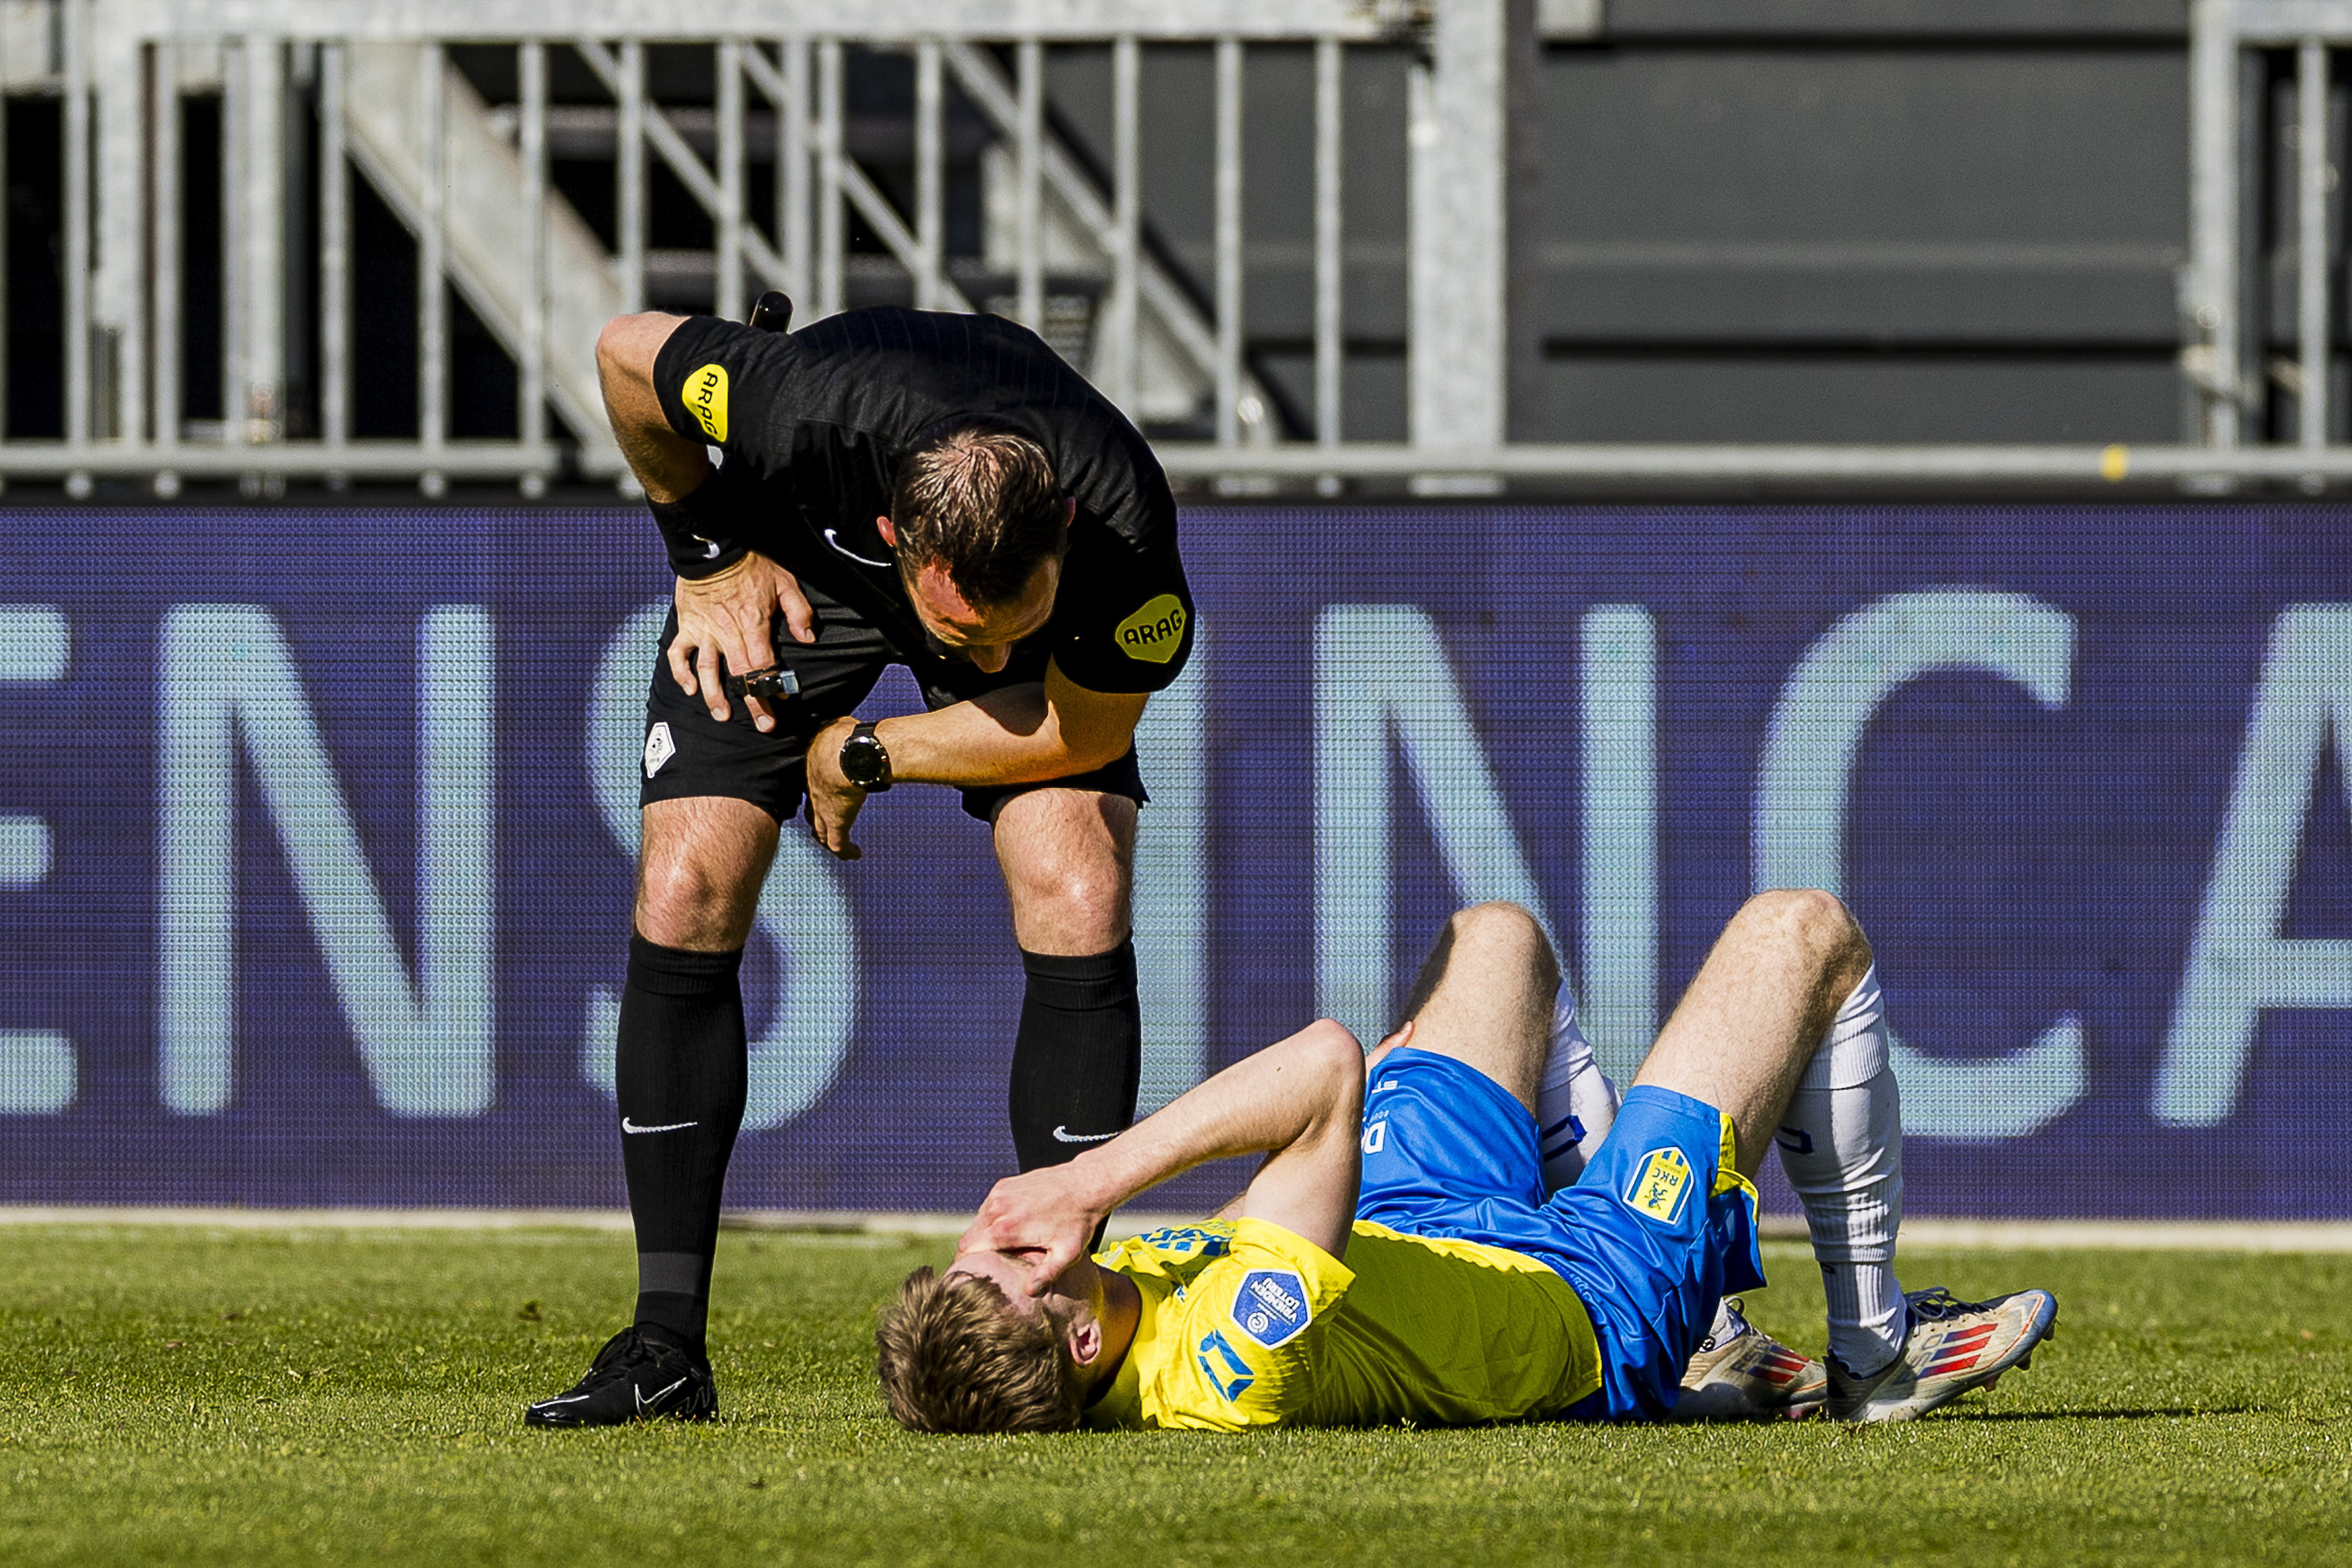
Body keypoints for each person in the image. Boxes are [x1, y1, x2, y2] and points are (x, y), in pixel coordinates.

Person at [527, 303, 1195, 1428]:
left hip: (1041, 668)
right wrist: (706, 556)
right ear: (899, 536)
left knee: (1078, 882)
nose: (986, 651)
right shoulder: (798, 406)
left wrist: (868, 750)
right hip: (800, 568)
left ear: (1065, 530)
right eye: (967, 633)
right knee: (686, 886)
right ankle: (662, 1348)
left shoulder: (1123, 529)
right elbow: (624, 355)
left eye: (1010, 623)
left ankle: (1051, 1320)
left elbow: (1079, 728)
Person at [878, 894, 2058, 1431]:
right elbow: (1324, 1064)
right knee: (1800, 935)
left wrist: (1328, 1148)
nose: (1006, 1233)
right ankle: (1873, 1355)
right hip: (1582, 1298)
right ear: (1082, 1345)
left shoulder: (1110, 1298)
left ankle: (1724, 1333)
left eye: (974, 1255)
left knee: (1494, 942)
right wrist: (1089, 1178)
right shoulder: (1235, 1365)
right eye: (1013, 1269)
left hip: (1409, 1219)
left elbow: (1254, 1205)